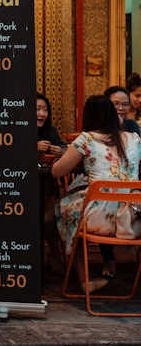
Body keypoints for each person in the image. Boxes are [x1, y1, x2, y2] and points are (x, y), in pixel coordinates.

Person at [54, 95, 141, 293]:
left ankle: (84, 281)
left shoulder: (86, 139)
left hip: (98, 220)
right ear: (114, 116)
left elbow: (57, 172)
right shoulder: (135, 139)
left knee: (66, 210)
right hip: (133, 219)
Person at [36, 92, 67, 273]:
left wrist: (60, 151)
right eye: (38, 109)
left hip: (47, 182)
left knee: (48, 218)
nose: (42, 114)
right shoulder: (15, 130)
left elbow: (64, 147)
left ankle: (54, 253)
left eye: (45, 110)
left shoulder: (51, 131)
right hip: (21, 183)